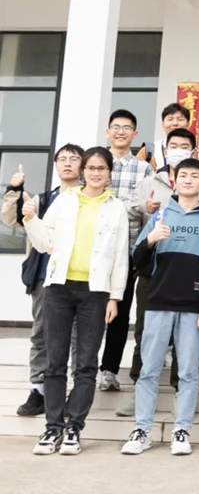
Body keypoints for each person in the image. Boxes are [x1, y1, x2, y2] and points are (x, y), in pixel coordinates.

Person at [121, 158, 199, 457]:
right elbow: (138, 259)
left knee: (189, 372)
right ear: (174, 180)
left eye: (195, 176)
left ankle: (182, 430)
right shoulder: (161, 215)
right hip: (158, 301)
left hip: (194, 306)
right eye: (183, 176)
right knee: (149, 370)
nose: (188, 180)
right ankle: (142, 430)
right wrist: (150, 240)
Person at [26, 147, 129, 456]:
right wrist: (30, 218)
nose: (95, 173)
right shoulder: (65, 201)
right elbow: (44, 243)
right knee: (55, 361)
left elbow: (120, 257)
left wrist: (115, 297)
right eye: (91, 168)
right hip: (58, 289)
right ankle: (52, 427)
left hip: (96, 293)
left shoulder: (117, 208)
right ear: (83, 171)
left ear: (109, 173)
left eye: (101, 168)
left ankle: (74, 427)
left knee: (86, 363)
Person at [2, 144, 85, 417]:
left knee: (78, 337)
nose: (68, 163)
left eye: (74, 159)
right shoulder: (44, 199)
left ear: (83, 165)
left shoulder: (89, 198)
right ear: (56, 165)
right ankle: (38, 390)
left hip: (77, 277)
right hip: (44, 278)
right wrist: (14, 191)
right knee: (41, 334)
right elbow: (12, 220)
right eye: (62, 159)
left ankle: (75, 391)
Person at [99, 109, 153, 393]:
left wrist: (141, 254)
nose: (121, 132)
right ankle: (83, 368)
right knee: (90, 313)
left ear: (135, 134)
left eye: (127, 128)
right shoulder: (96, 163)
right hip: (95, 251)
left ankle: (108, 370)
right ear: (108, 131)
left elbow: (147, 214)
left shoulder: (144, 169)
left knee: (119, 313)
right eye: (116, 127)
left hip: (128, 252)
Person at [136, 103, 192, 170]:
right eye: (170, 119)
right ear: (163, 125)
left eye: (180, 119)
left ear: (188, 125)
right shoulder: (148, 150)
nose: (175, 123)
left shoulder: (196, 154)